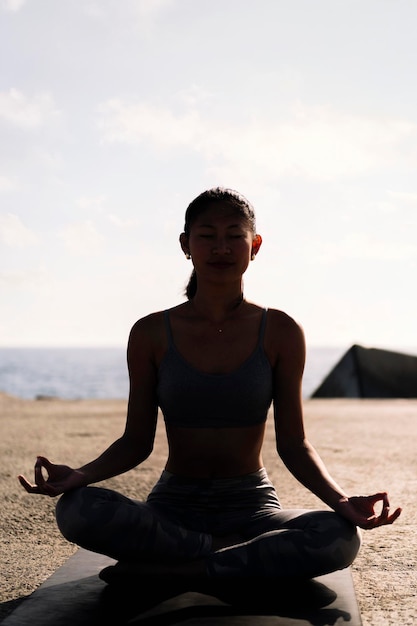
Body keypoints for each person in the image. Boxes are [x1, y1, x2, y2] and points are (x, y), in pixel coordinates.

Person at [19, 187, 401, 596]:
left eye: (235, 235)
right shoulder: (150, 332)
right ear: (186, 245)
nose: (221, 247)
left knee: (337, 535)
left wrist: (341, 501)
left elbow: (295, 443)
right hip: (173, 509)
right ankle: (224, 558)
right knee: (77, 510)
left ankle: (181, 572)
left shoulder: (281, 331)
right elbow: (136, 441)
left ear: (254, 246)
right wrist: (80, 475)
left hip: (253, 509)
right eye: (207, 235)